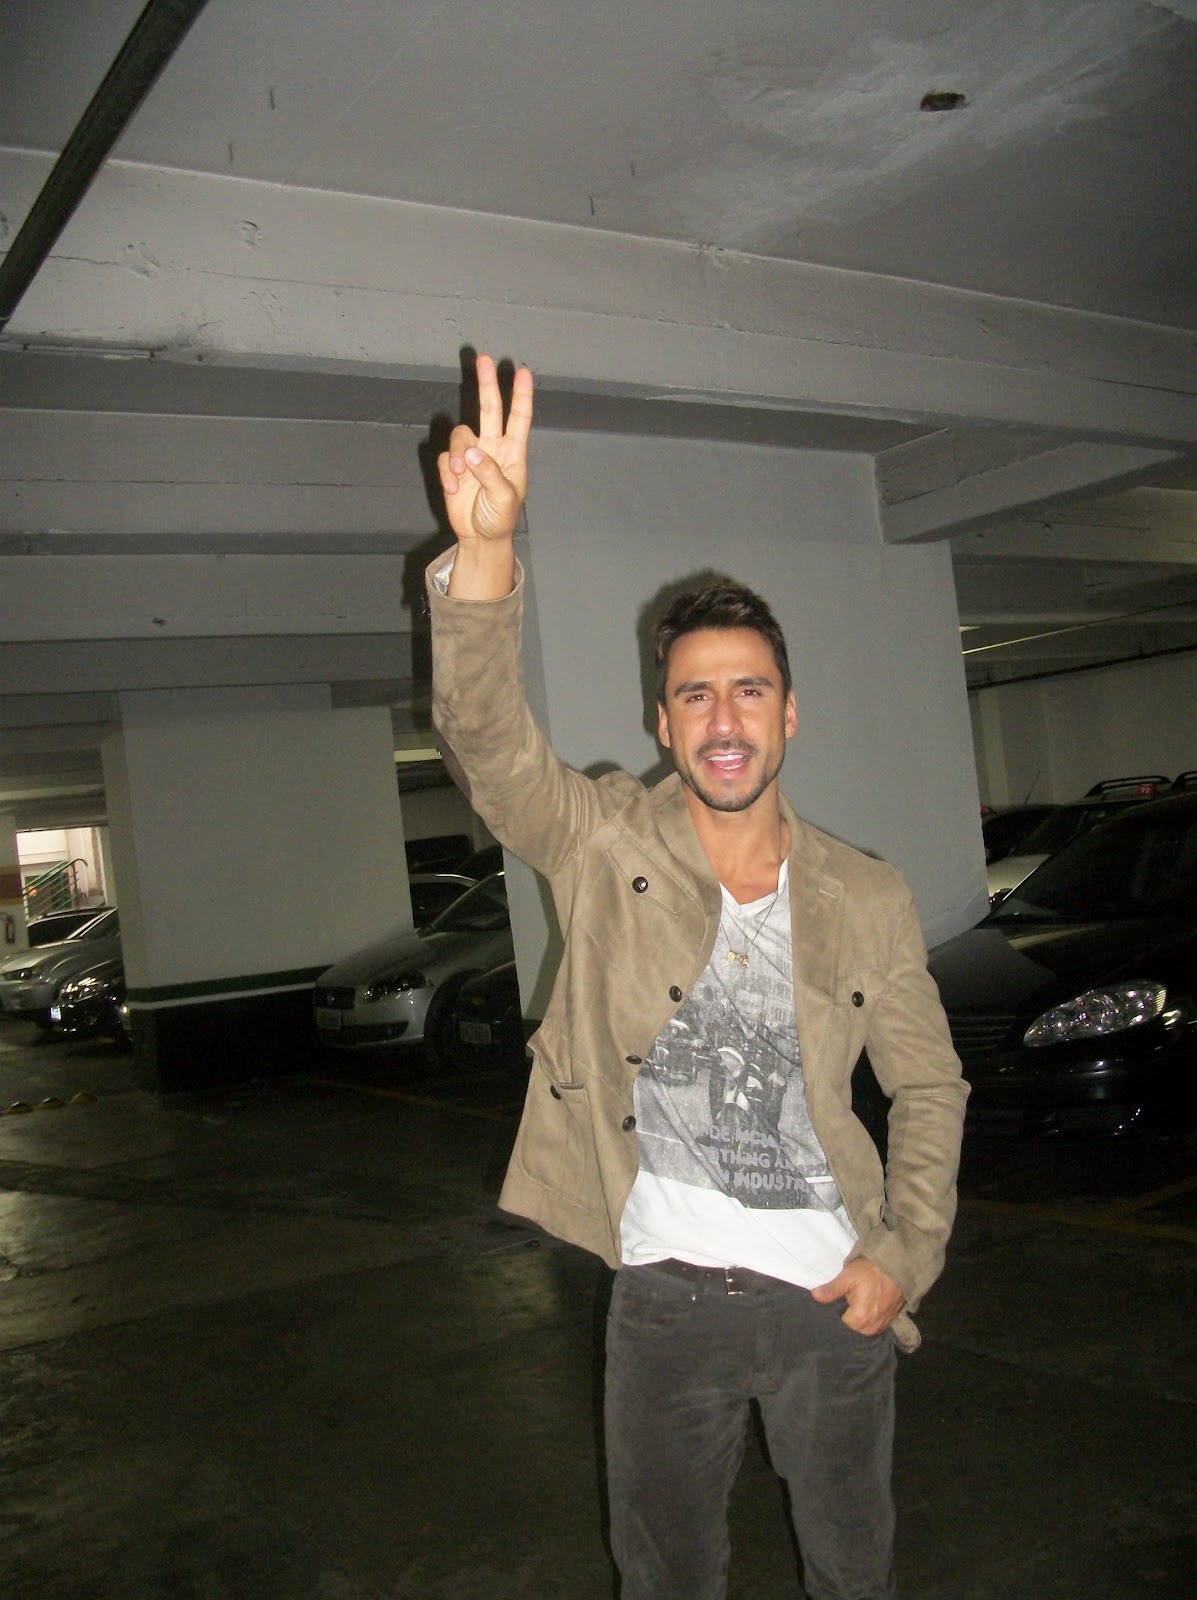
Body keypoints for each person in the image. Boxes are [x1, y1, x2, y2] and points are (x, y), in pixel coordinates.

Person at [429, 353, 968, 1600]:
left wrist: (906, 1253)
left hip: (832, 1295)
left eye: (750, 692)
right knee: (666, 1579)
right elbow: (488, 746)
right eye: (696, 697)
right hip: (663, 1306)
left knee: (855, 1573)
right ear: (663, 724)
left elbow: (931, 1087)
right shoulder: (603, 839)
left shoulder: (867, 894)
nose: (725, 720)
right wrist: (488, 557)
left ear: (790, 714)